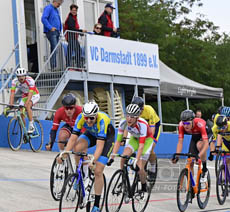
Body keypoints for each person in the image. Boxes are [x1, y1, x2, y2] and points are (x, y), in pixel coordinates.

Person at [57, 101, 115, 212]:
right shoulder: (80, 117)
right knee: (77, 148)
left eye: (91, 118)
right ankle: (83, 175)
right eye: (86, 118)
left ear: (96, 116)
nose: (88, 121)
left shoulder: (102, 120)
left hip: (106, 138)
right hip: (91, 134)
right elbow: (73, 138)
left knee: (98, 171)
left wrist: (94, 160)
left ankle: (97, 205)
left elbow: (99, 146)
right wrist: (64, 153)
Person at [109, 104, 153, 194]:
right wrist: (112, 157)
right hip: (134, 139)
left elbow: (141, 146)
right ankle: (123, 177)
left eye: (132, 117)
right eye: (127, 115)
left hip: (146, 142)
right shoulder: (123, 123)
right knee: (123, 157)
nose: (129, 118)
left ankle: (144, 186)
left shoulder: (143, 125)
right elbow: (118, 141)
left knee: (140, 167)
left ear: (137, 118)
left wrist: (137, 160)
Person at [172, 110, 209, 186]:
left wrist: (199, 155)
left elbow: (206, 144)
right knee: (190, 161)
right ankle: (191, 186)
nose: (185, 126)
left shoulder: (200, 124)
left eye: (188, 123)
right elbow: (180, 142)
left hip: (205, 134)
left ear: (193, 121)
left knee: (199, 145)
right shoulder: (181, 125)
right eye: (184, 123)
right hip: (195, 136)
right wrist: (177, 156)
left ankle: (204, 169)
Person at [130, 96, 160, 181]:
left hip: (154, 126)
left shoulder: (149, 110)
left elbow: (152, 130)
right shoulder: (131, 110)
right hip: (141, 126)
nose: (139, 113)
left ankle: (153, 166)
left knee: (150, 148)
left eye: (140, 110)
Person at [3, 68, 40, 133]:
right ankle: (25, 131)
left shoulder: (30, 80)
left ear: (25, 76)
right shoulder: (14, 81)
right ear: (17, 77)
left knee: (27, 105)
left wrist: (27, 103)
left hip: (34, 95)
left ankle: (31, 125)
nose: (21, 78)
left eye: (22, 76)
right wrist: (10, 104)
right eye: (19, 76)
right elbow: (12, 93)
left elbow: (30, 93)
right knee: (20, 111)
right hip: (25, 96)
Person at [64, 4, 87, 68]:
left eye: (75, 10)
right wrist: (81, 31)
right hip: (71, 36)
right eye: (73, 10)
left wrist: (80, 32)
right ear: (70, 10)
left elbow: (75, 28)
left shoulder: (74, 18)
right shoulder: (70, 18)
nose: (74, 11)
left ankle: (76, 65)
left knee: (76, 50)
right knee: (72, 51)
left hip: (74, 36)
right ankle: (71, 66)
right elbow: (71, 28)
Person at [41, 0, 63, 69]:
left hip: (57, 32)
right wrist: (50, 27)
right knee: (54, 49)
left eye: (60, 4)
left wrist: (60, 29)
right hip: (51, 32)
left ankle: (54, 66)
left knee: (55, 48)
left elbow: (58, 20)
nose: (59, 5)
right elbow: (43, 18)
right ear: (54, 1)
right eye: (58, 3)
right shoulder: (48, 8)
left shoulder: (56, 10)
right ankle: (53, 66)